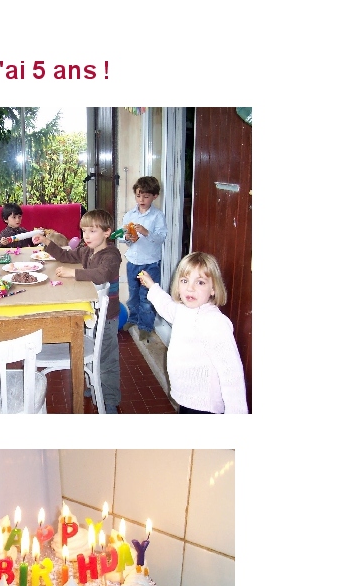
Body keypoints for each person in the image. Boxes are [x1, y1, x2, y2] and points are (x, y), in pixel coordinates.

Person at [33, 210, 122, 414]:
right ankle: (95, 384)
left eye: (92, 231)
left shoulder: (111, 255)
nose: (86, 236)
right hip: (90, 312)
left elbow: (101, 274)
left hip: (106, 317)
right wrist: (47, 242)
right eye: (84, 231)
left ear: (107, 232)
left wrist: (72, 273)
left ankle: (110, 399)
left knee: (107, 357)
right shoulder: (86, 251)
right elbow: (66, 256)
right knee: (94, 352)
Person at [138, 252, 248, 414]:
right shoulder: (183, 310)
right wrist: (151, 286)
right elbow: (165, 305)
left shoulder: (214, 322)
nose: (190, 288)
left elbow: (231, 373)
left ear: (213, 289)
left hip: (204, 406)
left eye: (200, 282)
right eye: (184, 281)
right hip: (185, 398)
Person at [122, 176, 167, 342]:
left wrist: (146, 232)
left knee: (147, 296)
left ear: (155, 196)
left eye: (146, 196)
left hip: (150, 263)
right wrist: (127, 238)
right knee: (133, 294)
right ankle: (133, 319)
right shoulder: (129, 215)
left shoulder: (158, 216)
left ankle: (146, 326)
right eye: (138, 195)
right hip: (133, 262)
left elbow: (161, 237)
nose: (141, 200)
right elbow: (123, 237)